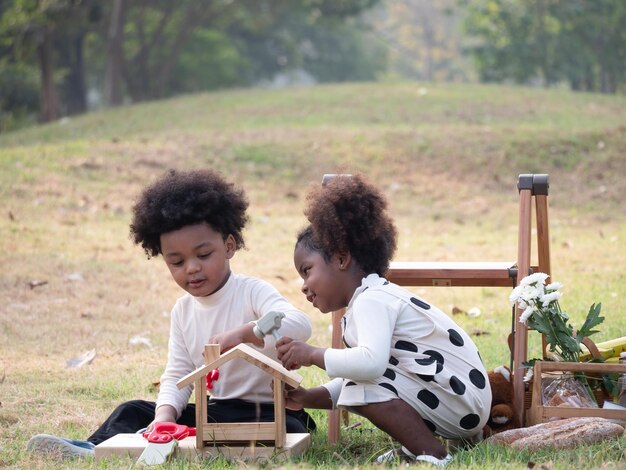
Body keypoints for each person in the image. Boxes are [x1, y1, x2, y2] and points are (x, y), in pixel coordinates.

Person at [27, 169, 315, 459]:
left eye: (203, 255)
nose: (191, 268)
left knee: (278, 429)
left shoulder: (251, 292)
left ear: (229, 246)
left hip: (270, 412)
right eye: (176, 261)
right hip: (215, 411)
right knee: (133, 410)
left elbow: (300, 324)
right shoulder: (183, 311)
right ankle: (93, 449)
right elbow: (179, 374)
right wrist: (164, 417)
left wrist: (245, 333)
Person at [275, 174, 491, 467]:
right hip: (457, 400)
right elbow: (365, 374)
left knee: (363, 378)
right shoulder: (370, 299)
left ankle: (432, 453)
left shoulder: (372, 301)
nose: (303, 285)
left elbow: (370, 368)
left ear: (341, 259)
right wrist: (307, 397)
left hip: (457, 399)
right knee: (361, 378)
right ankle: (415, 447)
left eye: (307, 270)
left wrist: (313, 354)